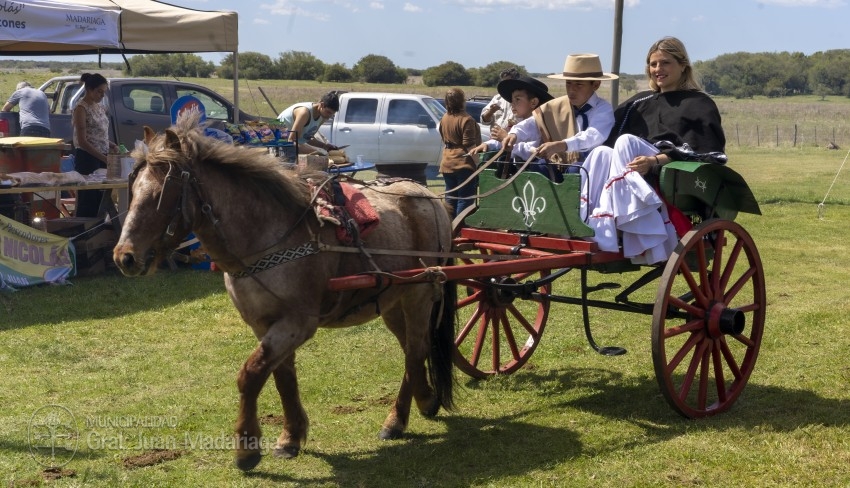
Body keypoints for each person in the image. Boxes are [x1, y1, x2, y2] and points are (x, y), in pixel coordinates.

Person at [583, 36, 727, 265]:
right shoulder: (638, 102)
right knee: (601, 153)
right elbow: (608, 138)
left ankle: (634, 222)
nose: (658, 69)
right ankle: (591, 221)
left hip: (671, 173)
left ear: (683, 65)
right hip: (633, 168)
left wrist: (655, 160)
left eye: (665, 63)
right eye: (653, 64)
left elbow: (705, 150)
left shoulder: (698, 103)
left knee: (626, 142)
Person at [468, 75, 554, 161]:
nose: (512, 104)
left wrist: (505, 139)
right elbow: (507, 139)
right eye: (512, 101)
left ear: (533, 102)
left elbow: (532, 152)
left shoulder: (539, 124)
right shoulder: (520, 123)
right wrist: (488, 144)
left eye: (517, 99)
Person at [72, 73, 118, 217]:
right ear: (89, 89)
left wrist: (112, 145)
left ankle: (99, 226)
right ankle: (85, 228)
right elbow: (82, 141)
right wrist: (103, 158)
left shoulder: (99, 107)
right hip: (87, 158)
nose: (102, 95)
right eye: (99, 92)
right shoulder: (81, 108)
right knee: (88, 198)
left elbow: (99, 135)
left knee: (101, 197)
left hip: (102, 155)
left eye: (104, 92)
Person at [439, 87, 482, 217]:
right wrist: (478, 164)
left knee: (450, 198)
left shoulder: (444, 118)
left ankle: (449, 225)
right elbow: (469, 145)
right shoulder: (466, 119)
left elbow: (443, 138)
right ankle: (460, 227)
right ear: (462, 101)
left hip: (447, 162)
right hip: (463, 163)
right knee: (465, 199)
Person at [277, 91, 342, 154]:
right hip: (277, 135)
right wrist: (316, 152)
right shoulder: (304, 113)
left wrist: (324, 146)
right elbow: (291, 141)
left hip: (290, 141)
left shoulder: (323, 116)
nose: (329, 116)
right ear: (321, 105)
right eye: (328, 112)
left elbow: (307, 138)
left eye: (332, 114)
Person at [480, 67, 520, 132]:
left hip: (512, 138)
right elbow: (484, 121)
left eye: (508, 82)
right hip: (494, 137)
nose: (505, 85)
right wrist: (491, 111)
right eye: (503, 82)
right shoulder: (498, 98)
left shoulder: (524, 100)